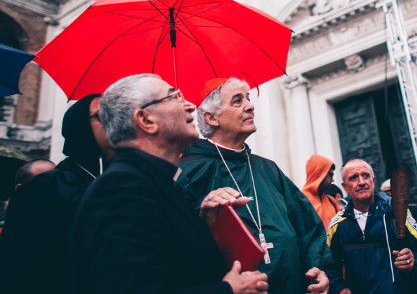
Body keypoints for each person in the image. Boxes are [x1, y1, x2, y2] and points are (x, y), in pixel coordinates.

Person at [70, 74, 268, 294]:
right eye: (174, 97)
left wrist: (208, 226)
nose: (191, 106)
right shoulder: (120, 189)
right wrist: (229, 289)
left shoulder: (160, 182)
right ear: (146, 120)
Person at [177, 77, 330, 294]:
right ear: (211, 118)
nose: (250, 106)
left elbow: (308, 226)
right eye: (237, 101)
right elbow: (182, 246)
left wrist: (319, 269)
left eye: (248, 98)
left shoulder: (268, 168)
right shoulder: (187, 173)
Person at [0, 94, 114, 294]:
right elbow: (17, 262)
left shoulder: (123, 184)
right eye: (101, 116)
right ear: (79, 127)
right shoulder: (46, 188)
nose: (113, 122)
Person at [326, 159, 417, 294]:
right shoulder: (338, 224)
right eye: (354, 178)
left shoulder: (397, 212)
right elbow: (327, 264)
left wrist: (414, 262)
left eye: (365, 176)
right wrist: (340, 288)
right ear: (345, 186)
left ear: (373, 180)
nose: (361, 182)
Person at [302, 154, 341, 230]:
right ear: (319, 173)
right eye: (330, 175)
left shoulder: (332, 201)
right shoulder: (300, 201)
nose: (333, 180)